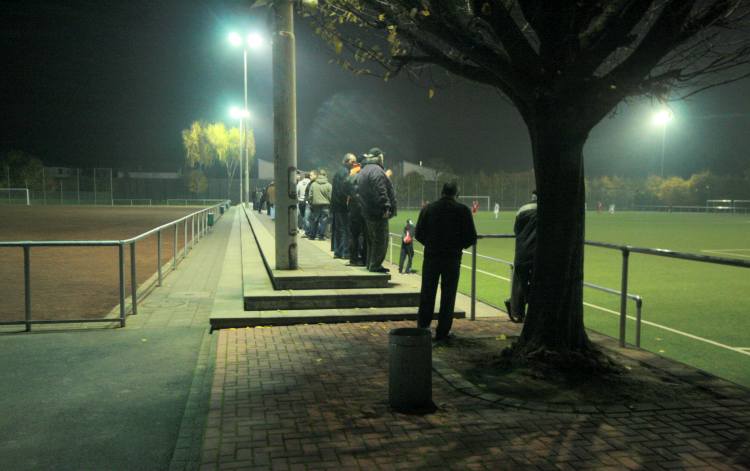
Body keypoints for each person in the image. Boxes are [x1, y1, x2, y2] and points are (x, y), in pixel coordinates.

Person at [415, 182, 477, 341]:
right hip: (452, 258)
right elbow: (471, 237)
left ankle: (423, 327)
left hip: (431, 257)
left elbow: (419, 234)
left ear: (442, 192)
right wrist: (458, 247)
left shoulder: (428, 209)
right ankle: (443, 331)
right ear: (456, 194)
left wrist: (430, 245)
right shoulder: (462, 210)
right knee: (448, 296)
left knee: (427, 293)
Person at [357, 148, 396, 273]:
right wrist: (386, 207)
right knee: (381, 240)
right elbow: (381, 190)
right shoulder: (377, 170)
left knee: (371, 240)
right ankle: (375, 266)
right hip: (377, 212)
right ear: (378, 157)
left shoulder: (364, 170)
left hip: (367, 211)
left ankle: (371, 264)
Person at [504, 191, 537, 323]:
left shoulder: (522, 209)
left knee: (520, 282)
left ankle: (517, 310)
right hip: (538, 253)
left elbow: (516, 230)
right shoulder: (549, 209)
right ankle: (532, 306)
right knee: (538, 282)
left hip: (522, 251)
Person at [331, 154, 357, 259]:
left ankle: (337, 252)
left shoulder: (338, 172)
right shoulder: (346, 173)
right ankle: (345, 252)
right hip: (342, 206)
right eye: (352, 161)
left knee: (338, 230)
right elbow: (346, 189)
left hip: (336, 205)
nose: (354, 164)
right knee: (346, 230)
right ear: (346, 161)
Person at [345, 156, 366, 266]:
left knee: (354, 235)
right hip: (364, 209)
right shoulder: (367, 176)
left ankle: (353, 259)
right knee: (363, 235)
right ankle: (363, 259)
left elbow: (345, 190)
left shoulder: (351, 176)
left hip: (353, 209)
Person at [307, 169, 332, 240]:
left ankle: (312, 235)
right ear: (325, 175)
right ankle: (321, 236)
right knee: (323, 221)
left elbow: (310, 196)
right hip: (326, 206)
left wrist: (311, 203)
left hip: (315, 205)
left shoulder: (313, 184)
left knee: (315, 220)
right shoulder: (329, 185)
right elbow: (331, 197)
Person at [302, 170, 317, 236]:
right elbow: (307, 192)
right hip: (309, 203)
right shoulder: (310, 183)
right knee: (307, 218)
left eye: (311, 175)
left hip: (313, 203)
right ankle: (309, 231)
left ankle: (310, 232)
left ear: (315, 175)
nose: (310, 176)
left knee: (309, 218)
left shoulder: (315, 183)